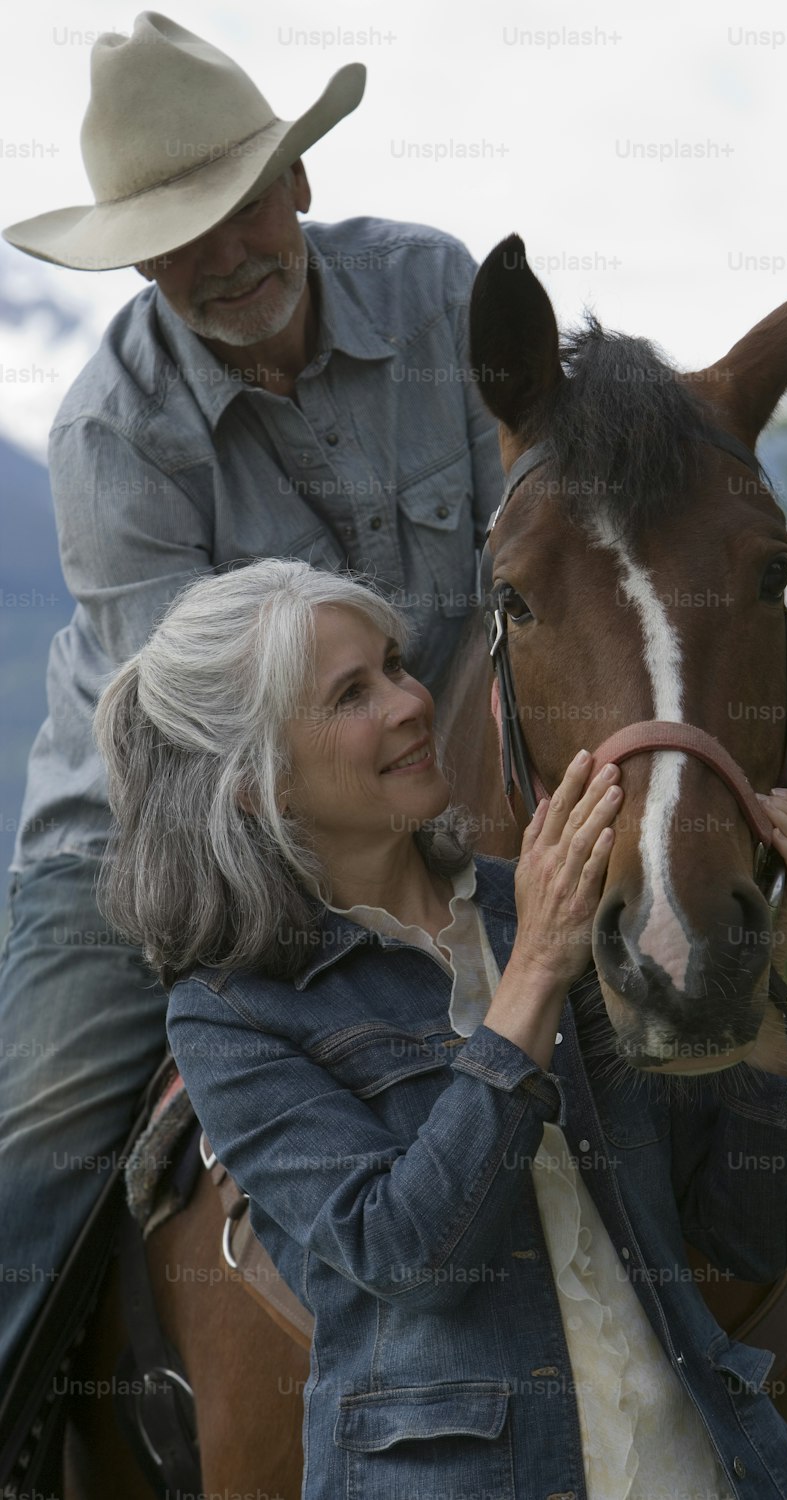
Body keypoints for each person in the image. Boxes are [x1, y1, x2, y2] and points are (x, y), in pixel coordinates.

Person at [93, 558, 787, 1500]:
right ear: (263, 785)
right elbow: (409, 1254)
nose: (412, 702)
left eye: (397, 665)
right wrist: (531, 973)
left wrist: (760, 983)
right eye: (351, 693)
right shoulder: (231, 1013)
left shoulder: (540, 904)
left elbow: (753, 1235)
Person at [0, 11, 502, 1400]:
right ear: (140, 259)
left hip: (435, 774)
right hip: (152, 833)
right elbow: (214, 741)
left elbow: (534, 571)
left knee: (682, 1011)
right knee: (39, 1145)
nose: (222, 257)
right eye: (176, 236)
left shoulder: (441, 294)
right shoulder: (114, 431)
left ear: (297, 185)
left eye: (238, 207)